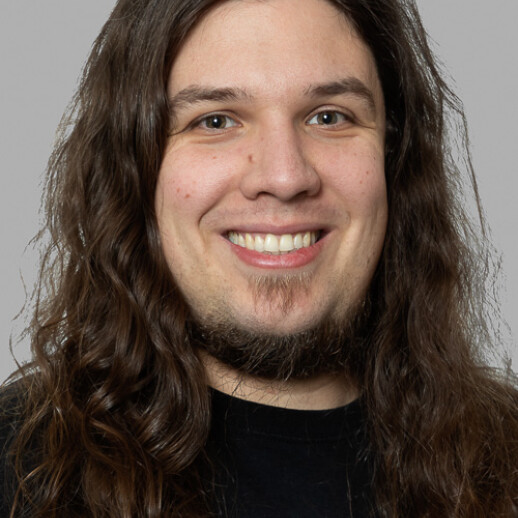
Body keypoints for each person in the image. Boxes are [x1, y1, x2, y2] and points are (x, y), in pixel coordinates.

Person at [1, 0, 517, 516]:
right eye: (216, 120)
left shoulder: (507, 460)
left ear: (394, 154)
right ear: (133, 168)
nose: (285, 177)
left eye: (329, 116)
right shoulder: (17, 473)